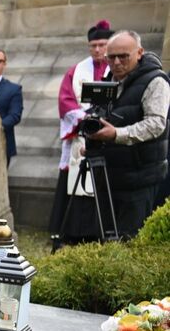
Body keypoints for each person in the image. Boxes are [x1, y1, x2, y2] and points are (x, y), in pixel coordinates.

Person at [84, 30, 169, 237]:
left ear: (139, 52)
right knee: (105, 238)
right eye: (111, 57)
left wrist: (116, 134)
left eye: (123, 56)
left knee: (130, 240)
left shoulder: (155, 81)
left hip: (139, 177)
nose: (117, 62)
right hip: (109, 174)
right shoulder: (108, 80)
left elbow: (156, 124)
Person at [48, 20, 113, 245]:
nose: (97, 50)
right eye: (93, 45)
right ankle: (73, 233)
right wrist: (85, 119)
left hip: (109, 135)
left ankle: (101, 233)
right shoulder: (76, 71)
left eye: (102, 45)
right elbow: (65, 101)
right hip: (80, 137)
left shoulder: (117, 69)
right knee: (75, 184)